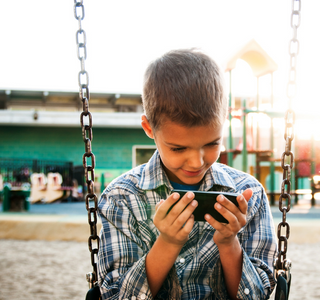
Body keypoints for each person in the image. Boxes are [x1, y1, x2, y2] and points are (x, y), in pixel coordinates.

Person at [97, 49, 277, 300]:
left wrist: (228, 243)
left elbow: (256, 296)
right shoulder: (120, 199)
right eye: (178, 148)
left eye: (212, 144)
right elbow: (116, 296)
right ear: (149, 128)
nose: (196, 161)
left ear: (224, 122)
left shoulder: (249, 194)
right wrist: (168, 242)